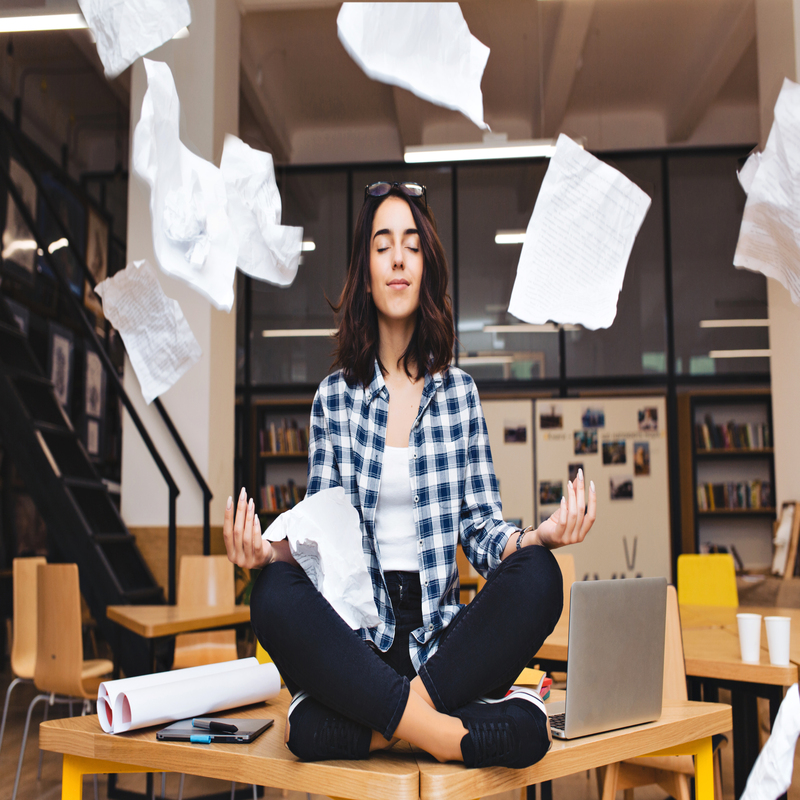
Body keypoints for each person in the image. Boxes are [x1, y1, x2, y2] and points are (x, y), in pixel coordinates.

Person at [223, 180, 597, 770]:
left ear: (426, 266)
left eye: (412, 245)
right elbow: (327, 542)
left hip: (444, 649)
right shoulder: (333, 399)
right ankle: (447, 736)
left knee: (541, 576)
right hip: (358, 643)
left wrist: (537, 538)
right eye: (382, 244)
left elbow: (480, 528)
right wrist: (266, 554)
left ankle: (387, 723)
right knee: (268, 594)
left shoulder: (459, 395)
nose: (397, 258)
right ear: (364, 269)